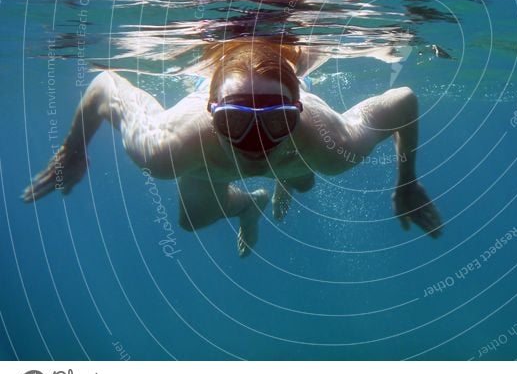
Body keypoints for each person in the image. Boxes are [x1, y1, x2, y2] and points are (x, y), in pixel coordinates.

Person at [23, 39, 443, 257]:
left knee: (305, 180)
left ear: (298, 109)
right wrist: (75, 147)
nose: (254, 141)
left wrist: (407, 181)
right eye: (236, 120)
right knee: (191, 220)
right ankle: (249, 203)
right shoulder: (170, 145)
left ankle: (286, 180)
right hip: (216, 161)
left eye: (276, 118)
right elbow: (105, 86)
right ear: (210, 111)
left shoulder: (329, 140)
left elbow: (404, 101)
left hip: (288, 152)